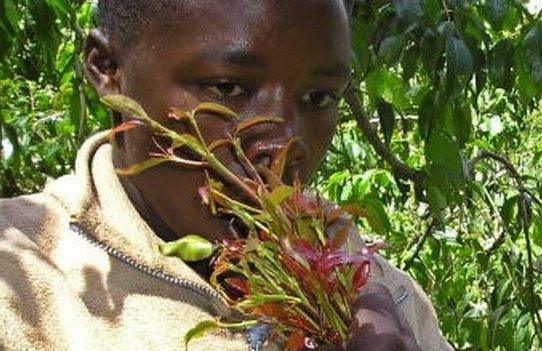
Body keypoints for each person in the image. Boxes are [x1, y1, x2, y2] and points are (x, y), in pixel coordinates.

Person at [0, 1, 453, 350]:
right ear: (108, 71)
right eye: (227, 89)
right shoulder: (20, 284)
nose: (284, 143)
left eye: (317, 97)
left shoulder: (382, 294)